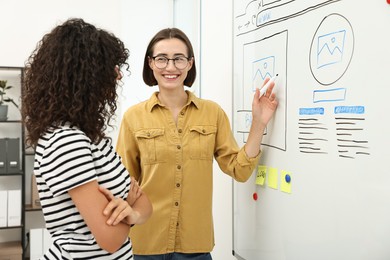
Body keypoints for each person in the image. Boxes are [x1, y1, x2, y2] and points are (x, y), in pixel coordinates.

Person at [116, 27, 278, 259]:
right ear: (150, 63)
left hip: (195, 247)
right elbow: (123, 183)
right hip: (146, 245)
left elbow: (239, 170)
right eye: (162, 59)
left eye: (179, 59)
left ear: (190, 64)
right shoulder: (133, 117)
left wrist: (259, 123)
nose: (170, 67)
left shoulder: (212, 113)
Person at [21, 18, 152, 259]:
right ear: (86, 74)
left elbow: (145, 204)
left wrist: (131, 212)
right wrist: (131, 207)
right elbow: (110, 239)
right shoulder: (66, 141)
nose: (118, 76)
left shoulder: (93, 138)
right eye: (110, 66)